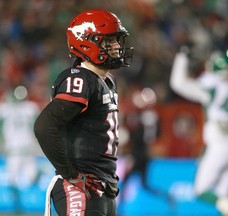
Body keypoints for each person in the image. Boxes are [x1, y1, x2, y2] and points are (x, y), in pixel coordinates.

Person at [34, 9, 133, 216]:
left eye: (116, 40)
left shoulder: (107, 81)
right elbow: (45, 125)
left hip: (101, 185)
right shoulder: (80, 79)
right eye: (108, 41)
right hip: (81, 187)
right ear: (86, 42)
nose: (116, 46)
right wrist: (70, 174)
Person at [169, 46, 228, 216]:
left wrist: (182, 57)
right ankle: (226, 202)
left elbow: (177, 83)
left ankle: (226, 202)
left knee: (201, 191)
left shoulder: (212, 86)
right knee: (225, 198)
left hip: (219, 146)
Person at [0, 86, 41, 213]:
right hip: (26, 148)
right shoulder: (30, 108)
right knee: (26, 177)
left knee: (16, 179)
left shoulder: (5, 109)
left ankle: (18, 204)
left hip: (15, 150)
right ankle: (18, 205)